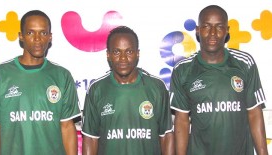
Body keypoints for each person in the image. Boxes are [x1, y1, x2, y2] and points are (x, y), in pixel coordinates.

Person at [170, 5, 268, 155]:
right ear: (197, 30)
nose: (213, 33)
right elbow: (182, 121)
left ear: (227, 30)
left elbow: (254, 113)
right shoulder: (183, 70)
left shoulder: (244, 63)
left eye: (219, 27)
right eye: (207, 27)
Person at [0, 10, 81, 155]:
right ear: (21, 36)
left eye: (43, 33)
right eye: (31, 33)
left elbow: (66, 127)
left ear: (50, 37)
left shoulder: (62, 76)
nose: (38, 39)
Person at [81, 26, 174, 155]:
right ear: (108, 55)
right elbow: (90, 138)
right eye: (117, 52)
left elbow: (166, 136)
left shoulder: (157, 87)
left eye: (129, 52)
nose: (123, 58)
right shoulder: (97, 90)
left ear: (138, 53)